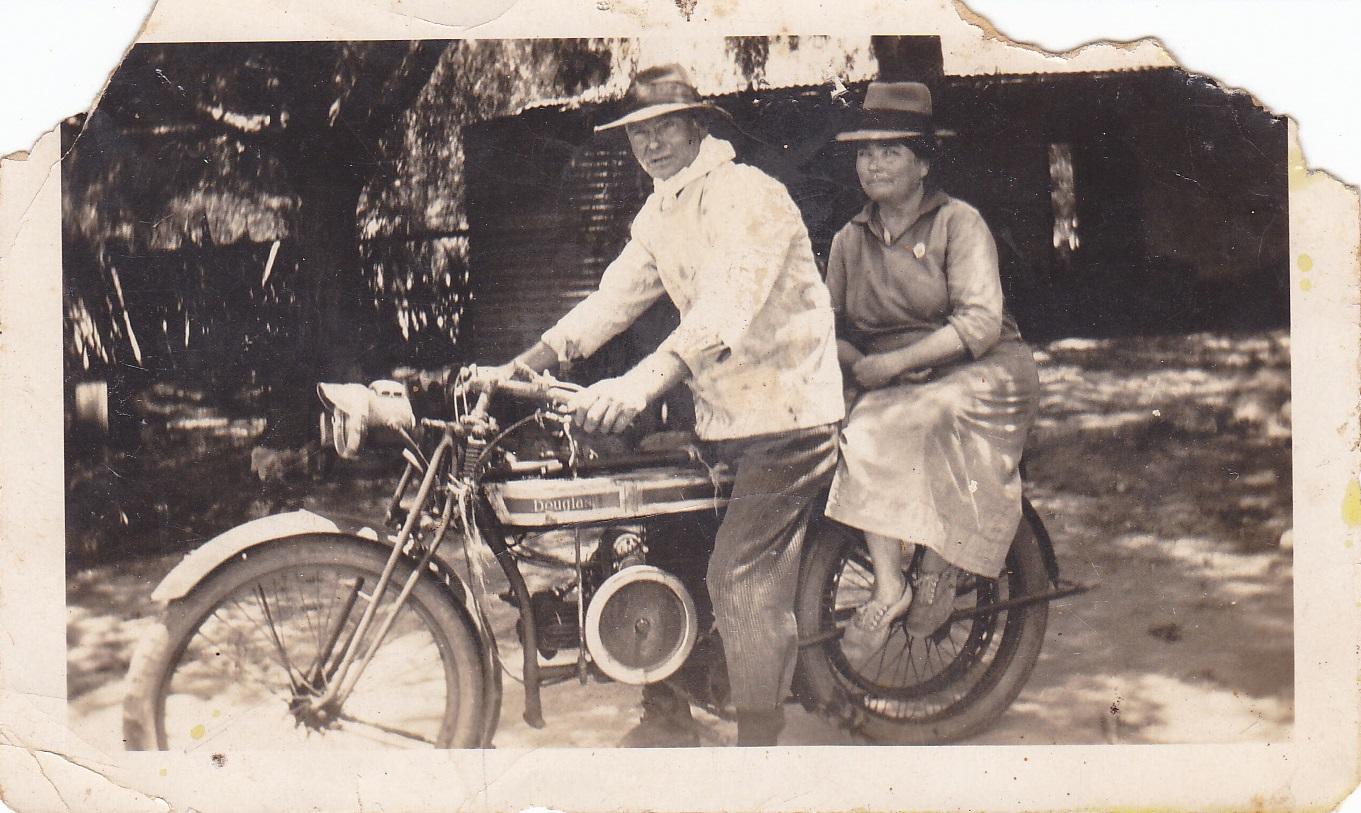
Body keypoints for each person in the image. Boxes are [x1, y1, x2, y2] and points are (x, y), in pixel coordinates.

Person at [485, 64, 844, 746]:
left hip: (790, 416)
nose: (649, 145)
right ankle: (669, 709)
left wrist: (641, 382)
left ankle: (759, 744)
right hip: (719, 419)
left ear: (695, 125)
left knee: (737, 576)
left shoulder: (748, 195)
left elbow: (723, 310)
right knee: (653, 537)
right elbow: (614, 298)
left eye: (663, 128)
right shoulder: (661, 210)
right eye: (637, 135)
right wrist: (528, 363)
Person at [824, 81, 1042, 660]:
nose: (874, 164)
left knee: (928, 416)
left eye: (891, 151)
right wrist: (858, 363)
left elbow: (979, 324)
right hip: (894, 377)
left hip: (983, 369)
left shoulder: (958, 223)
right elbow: (832, 328)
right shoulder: (849, 240)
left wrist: (891, 364)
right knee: (853, 430)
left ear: (923, 163)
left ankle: (941, 565)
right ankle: (891, 582)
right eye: (865, 153)